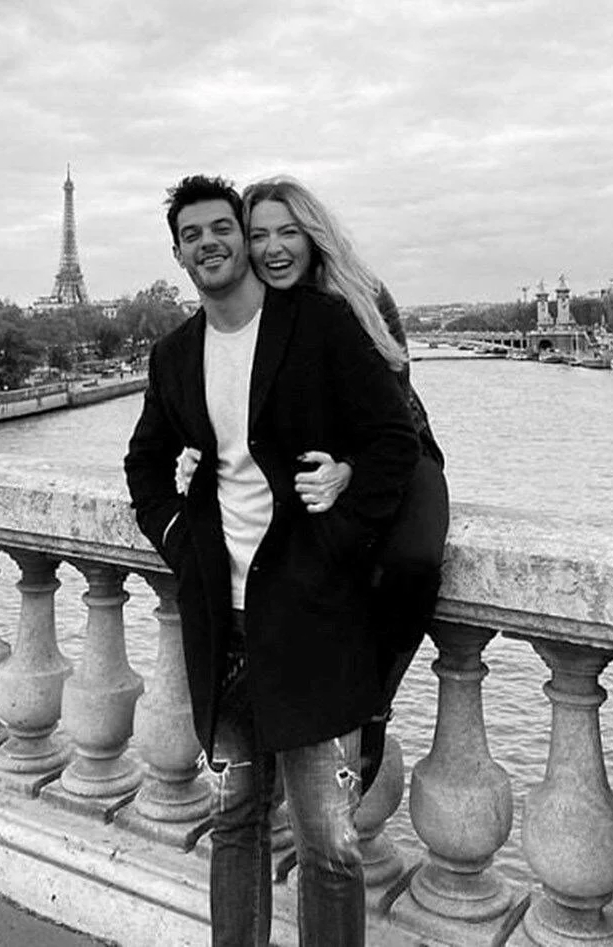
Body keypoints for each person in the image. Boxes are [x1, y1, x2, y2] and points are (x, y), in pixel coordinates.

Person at [124, 174, 419, 947]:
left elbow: (392, 441)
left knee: (330, 841)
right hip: (223, 625)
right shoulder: (175, 355)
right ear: (178, 253)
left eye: (223, 228)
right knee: (234, 823)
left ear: (242, 238)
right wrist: (178, 538)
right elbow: (144, 465)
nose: (211, 243)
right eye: (192, 235)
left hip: (313, 618)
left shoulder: (318, 325)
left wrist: (340, 536)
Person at [240, 175, 450, 789]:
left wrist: (351, 467)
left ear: (313, 236)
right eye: (259, 235)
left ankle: (376, 703)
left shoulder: (363, 294)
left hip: (398, 454)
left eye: (288, 232)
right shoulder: (253, 311)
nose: (274, 248)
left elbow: (395, 407)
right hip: (308, 464)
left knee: (412, 564)